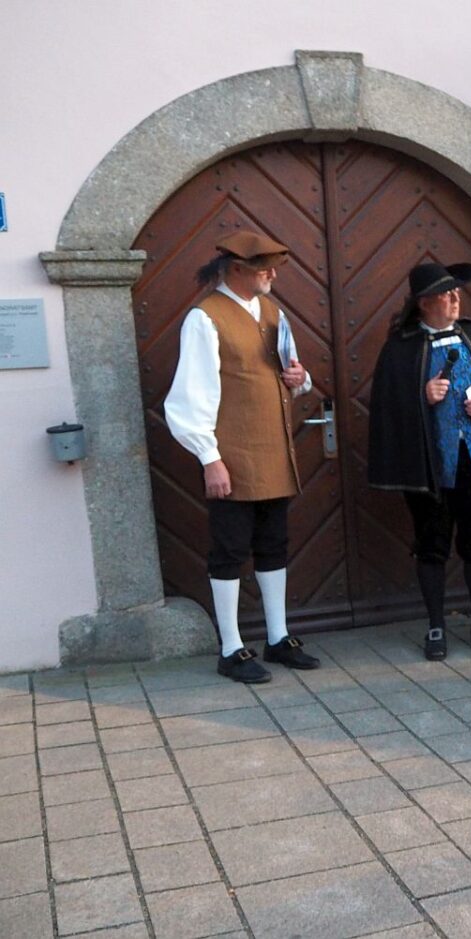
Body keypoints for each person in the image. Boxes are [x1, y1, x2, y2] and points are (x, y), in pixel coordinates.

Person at [164, 231, 321, 683]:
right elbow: (188, 397)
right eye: (262, 267)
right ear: (236, 269)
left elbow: (286, 374)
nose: (272, 274)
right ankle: (231, 647)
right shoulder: (205, 317)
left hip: (274, 452)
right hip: (231, 456)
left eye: (273, 266)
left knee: (274, 545)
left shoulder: (272, 311)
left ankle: (277, 638)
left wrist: (301, 379)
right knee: (229, 550)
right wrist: (209, 458)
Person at [367, 261, 471, 661]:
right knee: (432, 545)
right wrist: (423, 396)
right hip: (430, 466)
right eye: (446, 294)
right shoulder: (400, 347)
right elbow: (386, 407)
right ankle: (435, 626)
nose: (456, 299)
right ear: (423, 303)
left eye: (456, 293)